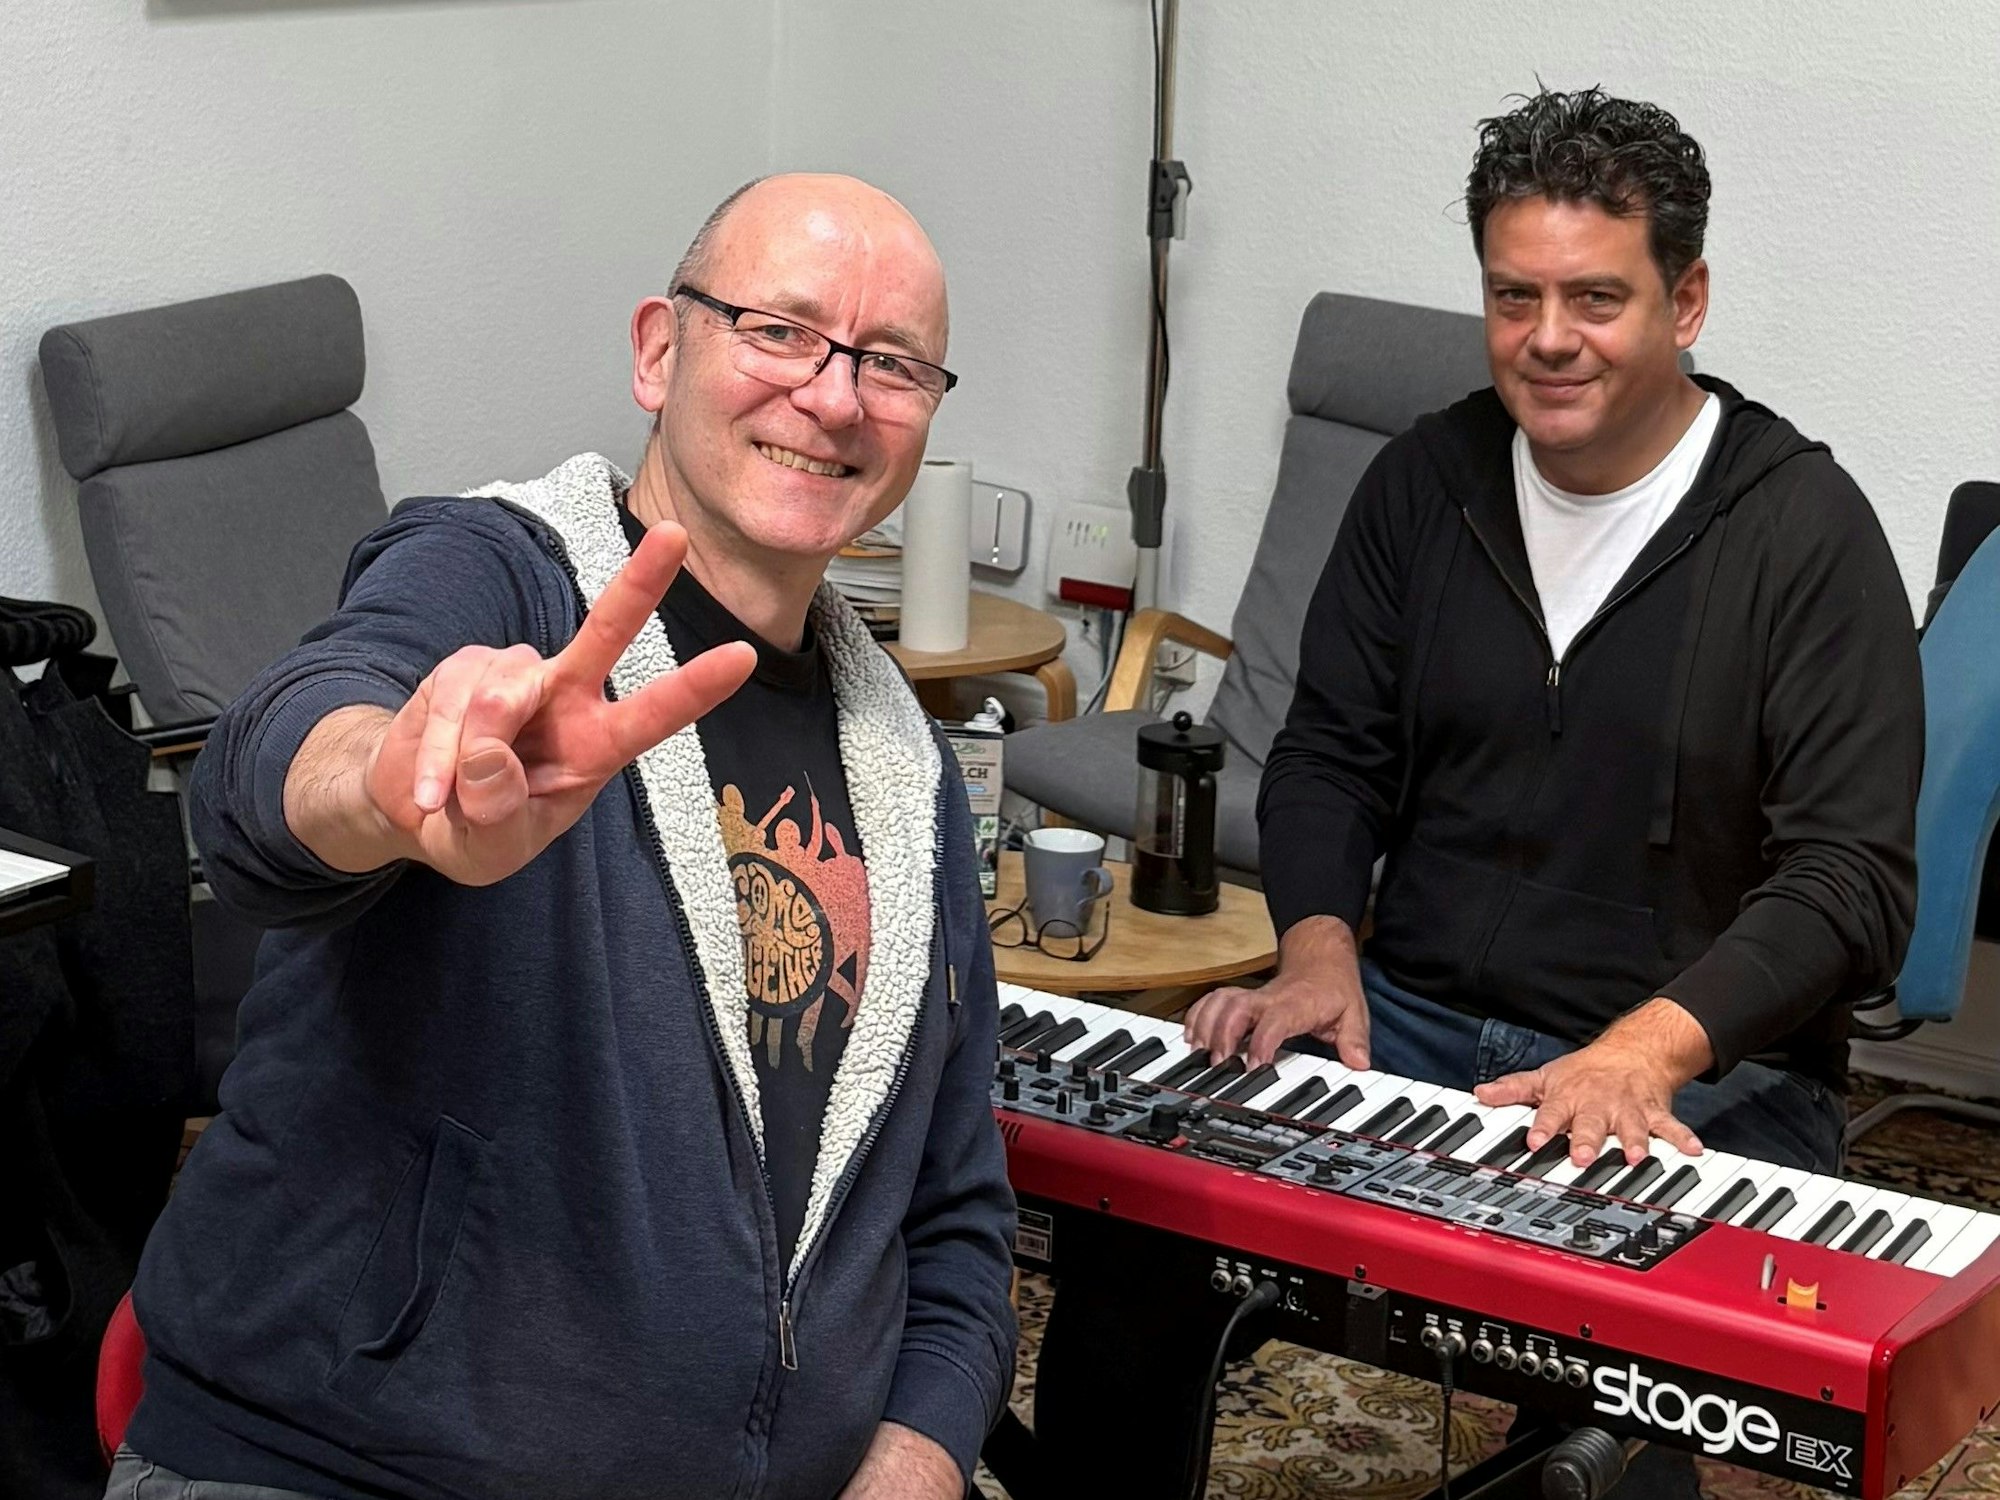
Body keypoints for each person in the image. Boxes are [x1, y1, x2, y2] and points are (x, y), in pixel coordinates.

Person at [109, 173, 1016, 1500]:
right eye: (779, 331)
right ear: (661, 350)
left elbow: (955, 1219)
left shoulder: (910, 773)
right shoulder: (493, 576)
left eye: (891, 364)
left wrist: (920, 1450)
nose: (832, 396)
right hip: (340, 1464)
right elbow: (274, 773)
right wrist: (390, 782)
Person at [1181, 86, 1921, 1495]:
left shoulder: (1806, 532)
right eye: (1513, 296)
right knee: (1145, 1246)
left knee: (1611, 1418)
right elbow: (1330, 750)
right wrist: (1319, 953)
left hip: (1707, 1069)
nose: (1548, 339)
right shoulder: (1422, 483)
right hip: (1406, 1018)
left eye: (1596, 297)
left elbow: (1850, 885)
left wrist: (1639, 1054)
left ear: (1686, 299)